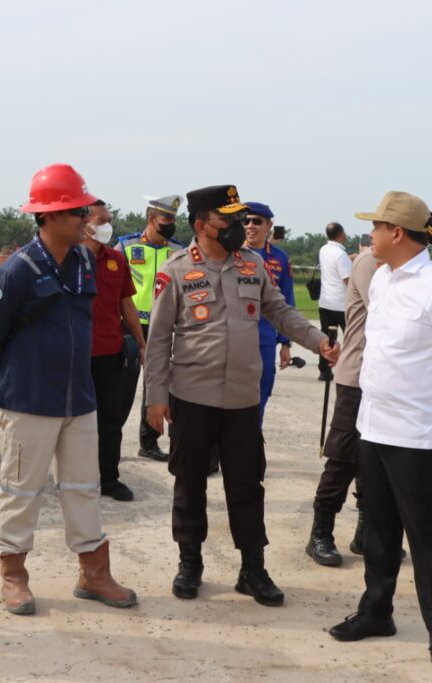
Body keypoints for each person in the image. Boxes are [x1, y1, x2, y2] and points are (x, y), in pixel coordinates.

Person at [144, 184, 339, 607]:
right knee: (189, 484)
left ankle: (253, 568)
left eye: (239, 218)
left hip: (243, 401)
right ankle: (190, 561)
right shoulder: (177, 269)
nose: (237, 227)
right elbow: (158, 340)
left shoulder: (252, 264)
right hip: (191, 397)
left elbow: (280, 311)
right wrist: (155, 397)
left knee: (247, 486)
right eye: (227, 220)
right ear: (201, 225)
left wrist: (317, 340)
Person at [328, 191, 432, 670]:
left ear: (397, 233)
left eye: (375, 226)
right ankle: (377, 611)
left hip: (417, 433)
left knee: (424, 533)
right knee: (377, 526)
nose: (369, 234)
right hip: (374, 423)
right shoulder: (381, 278)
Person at [0, 163, 137, 616]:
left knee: (84, 487)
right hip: (30, 399)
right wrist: (8, 377)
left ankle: (94, 573)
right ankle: (14, 575)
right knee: (21, 489)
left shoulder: (86, 261)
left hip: (78, 397)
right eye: (75, 211)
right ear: (47, 216)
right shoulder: (17, 271)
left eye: (84, 209)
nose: (86, 218)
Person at [306, 216, 432, 567]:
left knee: (376, 461)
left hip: (389, 379)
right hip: (358, 376)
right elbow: (397, 314)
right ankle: (321, 532)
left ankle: (367, 532)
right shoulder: (371, 265)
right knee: (343, 457)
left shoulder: (405, 272)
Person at [85, 199, 147, 501]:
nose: (107, 225)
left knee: (110, 419)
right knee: (74, 420)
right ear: (84, 223)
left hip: (110, 351)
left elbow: (127, 303)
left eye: (108, 219)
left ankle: (108, 478)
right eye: (101, 220)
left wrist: (142, 343)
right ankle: (75, 478)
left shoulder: (116, 260)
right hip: (74, 354)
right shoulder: (68, 259)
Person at [117, 195, 183, 462]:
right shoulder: (126, 245)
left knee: (156, 386)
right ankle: (109, 441)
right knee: (121, 387)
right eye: (166, 219)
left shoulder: (178, 250)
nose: (170, 224)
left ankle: (149, 442)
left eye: (173, 220)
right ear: (151, 219)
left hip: (163, 327)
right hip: (129, 326)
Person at [242, 201, 295, 424]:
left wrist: (285, 342)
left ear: (269, 225)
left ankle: (252, 441)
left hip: (264, 335)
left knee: (262, 388)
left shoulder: (279, 259)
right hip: (235, 332)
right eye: (246, 221)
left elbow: (287, 300)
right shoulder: (230, 253)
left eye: (257, 221)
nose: (250, 226)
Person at [317, 222, 352, 382]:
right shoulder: (340, 255)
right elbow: (347, 279)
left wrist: (351, 258)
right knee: (351, 337)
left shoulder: (324, 250)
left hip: (325, 302)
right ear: (341, 234)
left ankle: (324, 371)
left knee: (327, 337)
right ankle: (350, 369)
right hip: (341, 303)